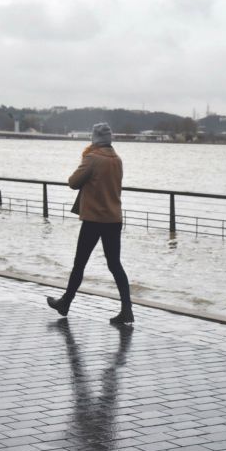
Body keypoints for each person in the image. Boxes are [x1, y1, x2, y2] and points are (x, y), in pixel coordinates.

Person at [47, 123, 134, 325]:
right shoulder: (117, 160)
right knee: (115, 265)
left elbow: (73, 182)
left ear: (95, 138)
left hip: (94, 220)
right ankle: (127, 310)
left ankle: (65, 303)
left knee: (80, 263)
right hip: (114, 219)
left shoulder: (92, 158)